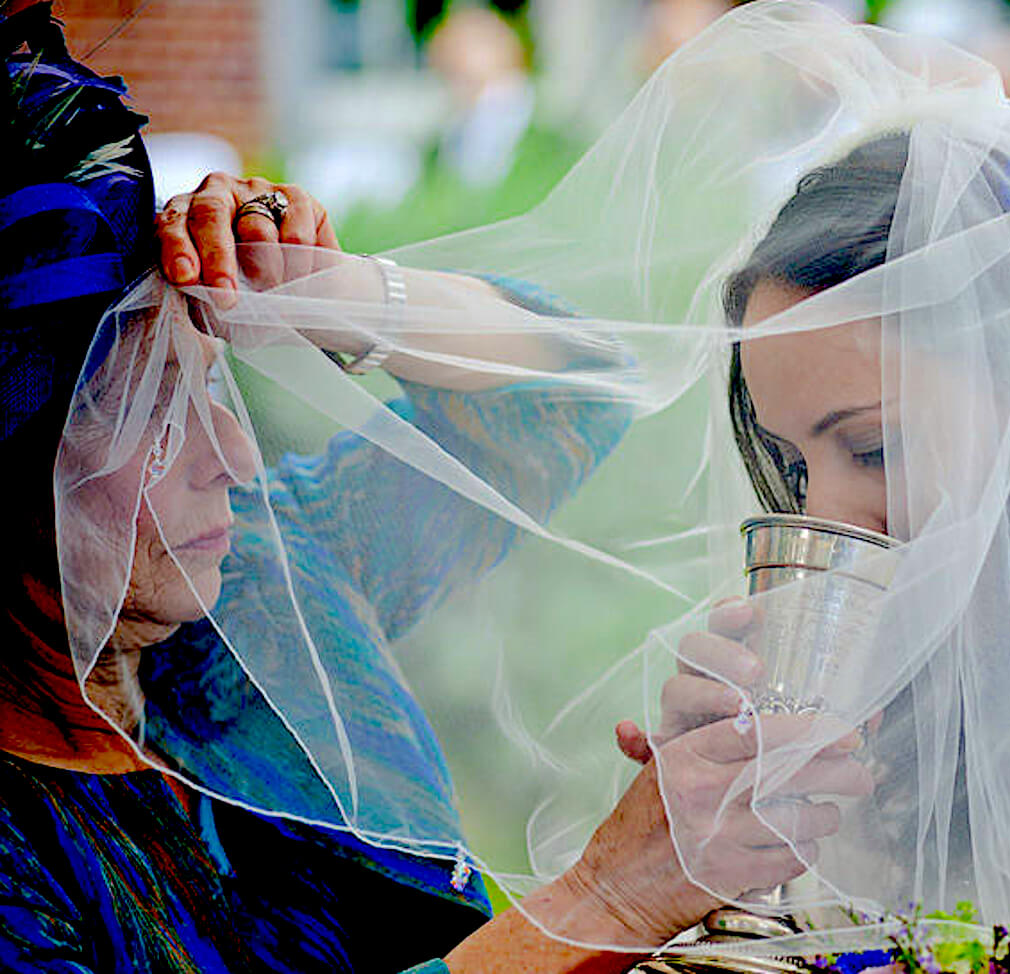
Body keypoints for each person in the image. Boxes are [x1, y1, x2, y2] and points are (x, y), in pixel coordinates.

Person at [2, 5, 867, 972]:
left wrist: (337, 295)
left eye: (208, 381)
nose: (233, 457)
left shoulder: (267, 583)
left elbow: (566, 399)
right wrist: (612, 897)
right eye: (153, 417)